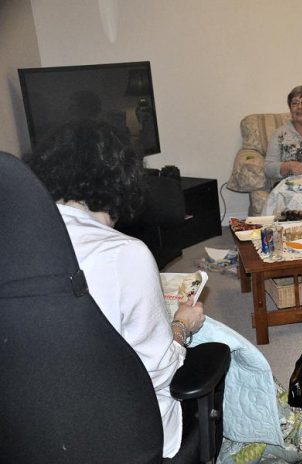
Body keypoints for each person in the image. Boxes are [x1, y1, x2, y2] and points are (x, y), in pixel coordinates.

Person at [23, 120, 205, 458]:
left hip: (31, 435)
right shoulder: (123, 253)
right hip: (124, 434)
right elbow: (160, 370)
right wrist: (181, 326)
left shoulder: (16, 242)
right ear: (122, 181)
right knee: (220, 345)